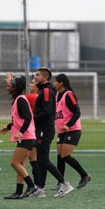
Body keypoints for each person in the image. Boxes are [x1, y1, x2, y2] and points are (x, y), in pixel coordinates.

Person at [33, 67, 74, 198]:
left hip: (45, 129)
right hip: (42, 129)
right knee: (41, 159)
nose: (35, 77)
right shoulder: (44, 90)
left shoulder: (46, 91)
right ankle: (40, 189)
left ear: (45, 78)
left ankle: (63, 183)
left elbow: (46, 112)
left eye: (37, 75)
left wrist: (31, 118)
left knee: (43, 159)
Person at [0, 74, 37, 199]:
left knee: (14, 163)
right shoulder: (17, 99)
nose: (7, 88)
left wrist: (21, 131)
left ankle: (32, 186)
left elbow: (28, 118)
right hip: (27, 136)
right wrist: (9, 126)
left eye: (9, 85)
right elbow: (19, 119)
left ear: (15, 88)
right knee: (20, 164)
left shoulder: (20, 100)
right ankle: (18, 192)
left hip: (26, 137)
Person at [53, 73, 92, 189]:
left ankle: (84, 175)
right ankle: (61, 183)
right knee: (60, 157)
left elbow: (77, 112)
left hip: (72, 130)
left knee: (65, 156)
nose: (54, 83)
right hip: (62, 131)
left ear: (61, 83)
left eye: (55, 81)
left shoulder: (68, 95)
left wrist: (68, 125)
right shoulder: (56, 96)